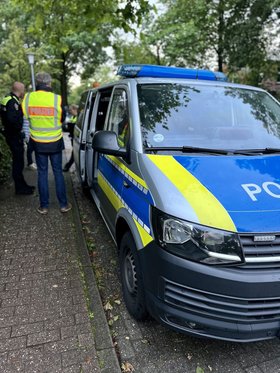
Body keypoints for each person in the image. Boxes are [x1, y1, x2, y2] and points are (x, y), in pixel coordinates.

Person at [22, 72, 72, 215]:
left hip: (38, 142)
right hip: (55, 141)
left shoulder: (28, 98)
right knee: (58, 173)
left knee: (42, 173)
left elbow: (26, 116)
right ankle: (63, 205)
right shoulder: (57, 99)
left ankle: (44, 206)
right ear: (49, 83)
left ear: (37, 83)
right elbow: (62, 119)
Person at [0, 82, 35, 194]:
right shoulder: (12, 101)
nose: (24, 92)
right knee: (18, 163)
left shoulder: (8, 98)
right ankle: (20, 189)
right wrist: (19, 130)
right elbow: (11, 119)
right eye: (23, 89)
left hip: (12, 135)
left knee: (19, 162)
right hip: (14, 136)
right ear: (20, 89)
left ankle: (22, 185)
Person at [63, 104, 78, 172]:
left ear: (75, 109)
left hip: (76, 138)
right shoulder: (73, 117)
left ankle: (67, 166)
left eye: (70, 110)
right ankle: (68, 166)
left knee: (74, 153)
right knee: (74, 153)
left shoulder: (77, 117)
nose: (69, 111)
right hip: (73, 137)